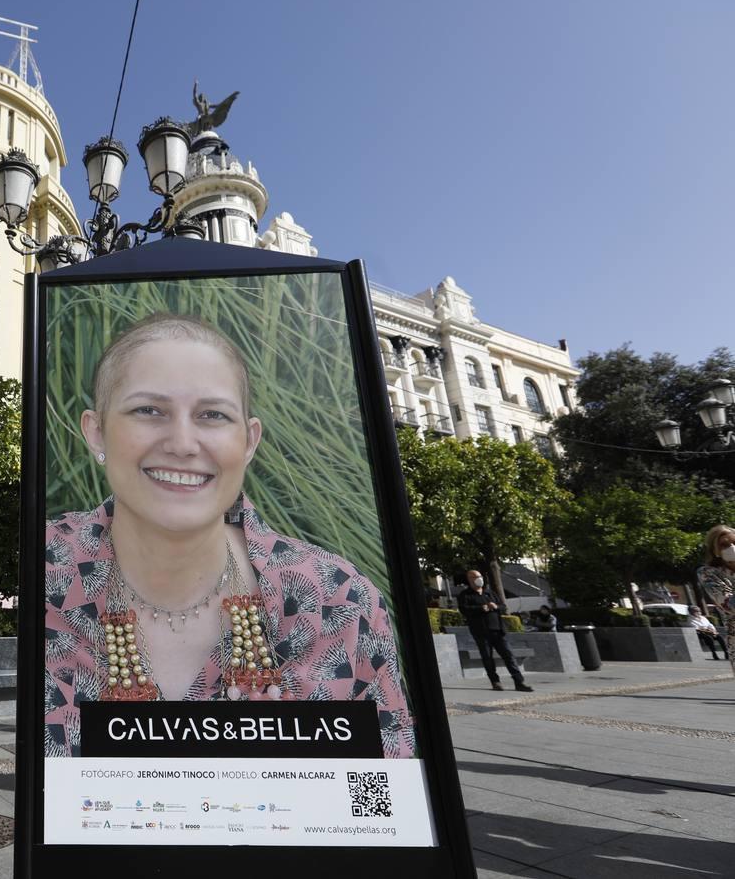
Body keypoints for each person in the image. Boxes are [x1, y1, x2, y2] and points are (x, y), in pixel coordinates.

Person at [43, 314, 414, 759]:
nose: (182, 443)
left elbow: (383, 805)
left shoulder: (339, 601)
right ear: (96, 431)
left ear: (249, 442)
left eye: (212, 415)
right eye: (148, 410)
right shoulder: (42, 574)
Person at [458, 571, 533, 692]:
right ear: (470, 579)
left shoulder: (490, 593)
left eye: (480, 576)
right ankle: (495, 682)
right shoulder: (465, 595)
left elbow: (503, 607)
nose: (479, 579)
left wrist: (496, 607)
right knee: (487, 657)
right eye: (476, 577)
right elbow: (464, 609)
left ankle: (519, 682)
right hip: (481, 632)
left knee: (508, 655)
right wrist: (480, 608)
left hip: (498, 630)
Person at [697, 524, 735, 644]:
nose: (732, 548)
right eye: (724, 545)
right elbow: (728, 604)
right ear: (715, 550)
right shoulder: (708, 573)